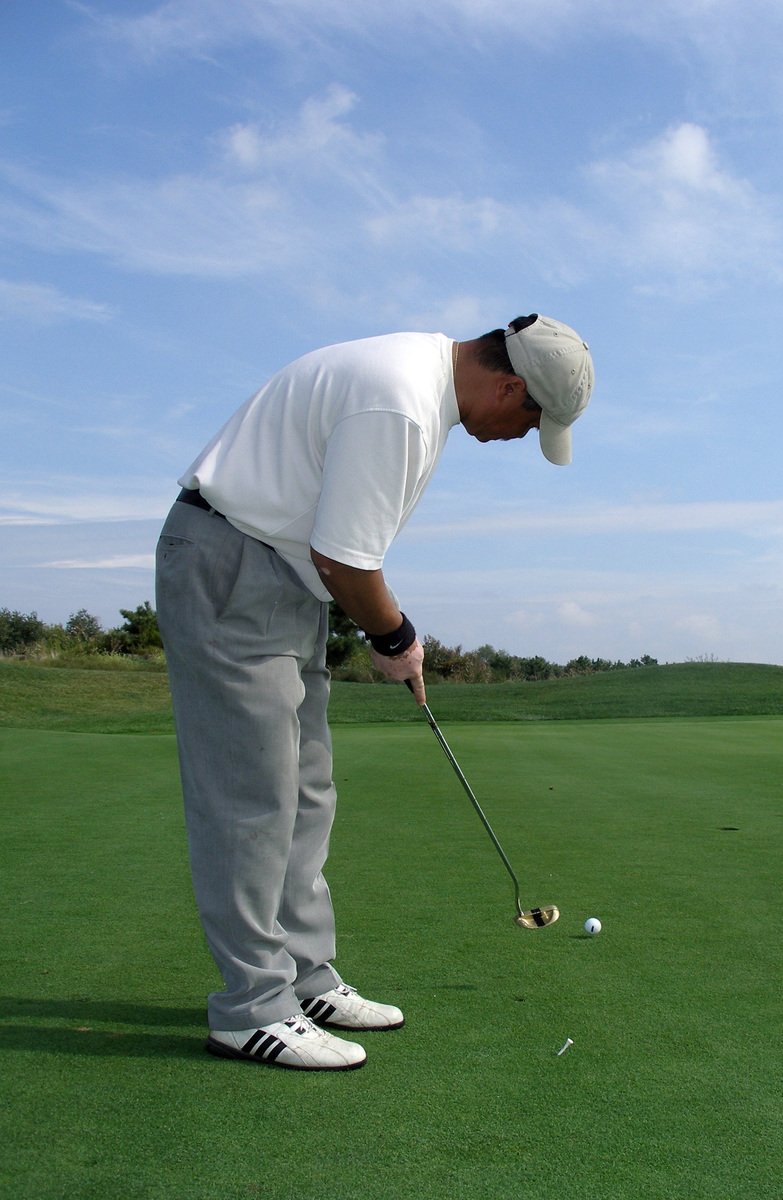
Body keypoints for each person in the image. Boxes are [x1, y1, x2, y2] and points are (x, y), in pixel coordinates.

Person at [155, 313, 594, 1071]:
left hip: (283, 582)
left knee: (306, 789)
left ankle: (303, 977)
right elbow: (344, 559)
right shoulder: (398, 400)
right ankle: (251, 1009)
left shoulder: (418, 382)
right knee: (252, 797)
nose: (523, 435)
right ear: (508, 385)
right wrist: (395, 638)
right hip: (234, 567)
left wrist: (381, 625)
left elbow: (334, 554)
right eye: (530, 419)